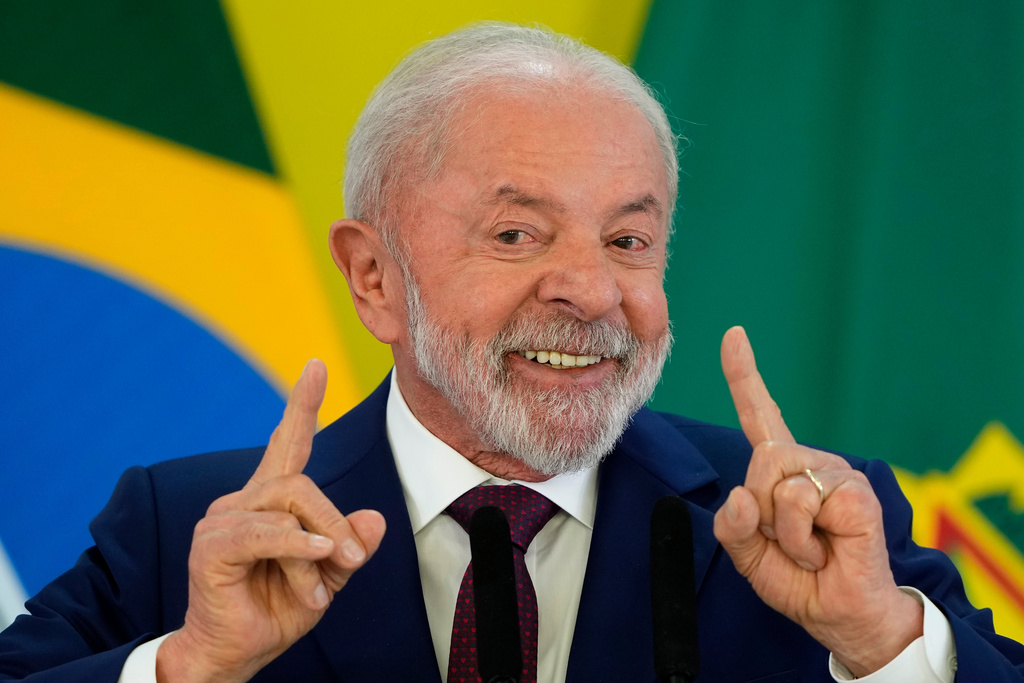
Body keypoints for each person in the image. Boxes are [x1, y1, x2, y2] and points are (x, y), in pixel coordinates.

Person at [1, 21, 1022, 683]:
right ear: (374, 277)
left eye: (628, 239)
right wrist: (186, 665)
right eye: (516, 234)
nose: (589, 290)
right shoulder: (183, 529)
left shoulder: (820, 530)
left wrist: (887, 644)